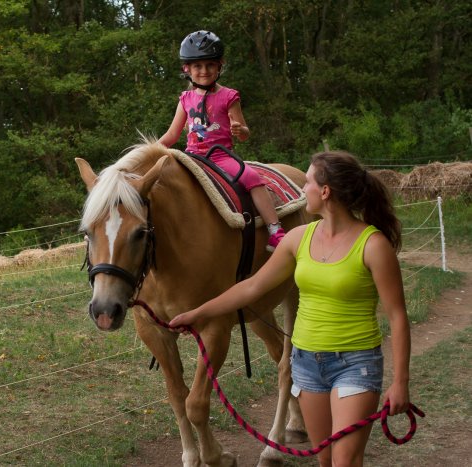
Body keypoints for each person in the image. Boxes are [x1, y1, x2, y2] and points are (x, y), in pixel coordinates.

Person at [169, 150, 411, 467]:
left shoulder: (372, 245)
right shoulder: (298, 238)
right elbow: (252, 287)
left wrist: (400, 381)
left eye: (307, 182)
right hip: (307, 365)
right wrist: (198, 313)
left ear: (325, 192)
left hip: (356, 363)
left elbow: (397, 317)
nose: (301, 190)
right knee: (326, 460)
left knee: (345, 460)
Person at [158, 30, 285, 251]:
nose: (204, 71)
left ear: (220, 66)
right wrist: (149, 151)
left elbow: (245, 133)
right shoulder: (185, 99)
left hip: (220, 156)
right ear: (186, 69)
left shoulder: (229, 96)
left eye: (210, 65)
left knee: (252, 177)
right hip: (193, 157)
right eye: (198, 66)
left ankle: (275, 230)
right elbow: (172, 135)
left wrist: (240, 130)